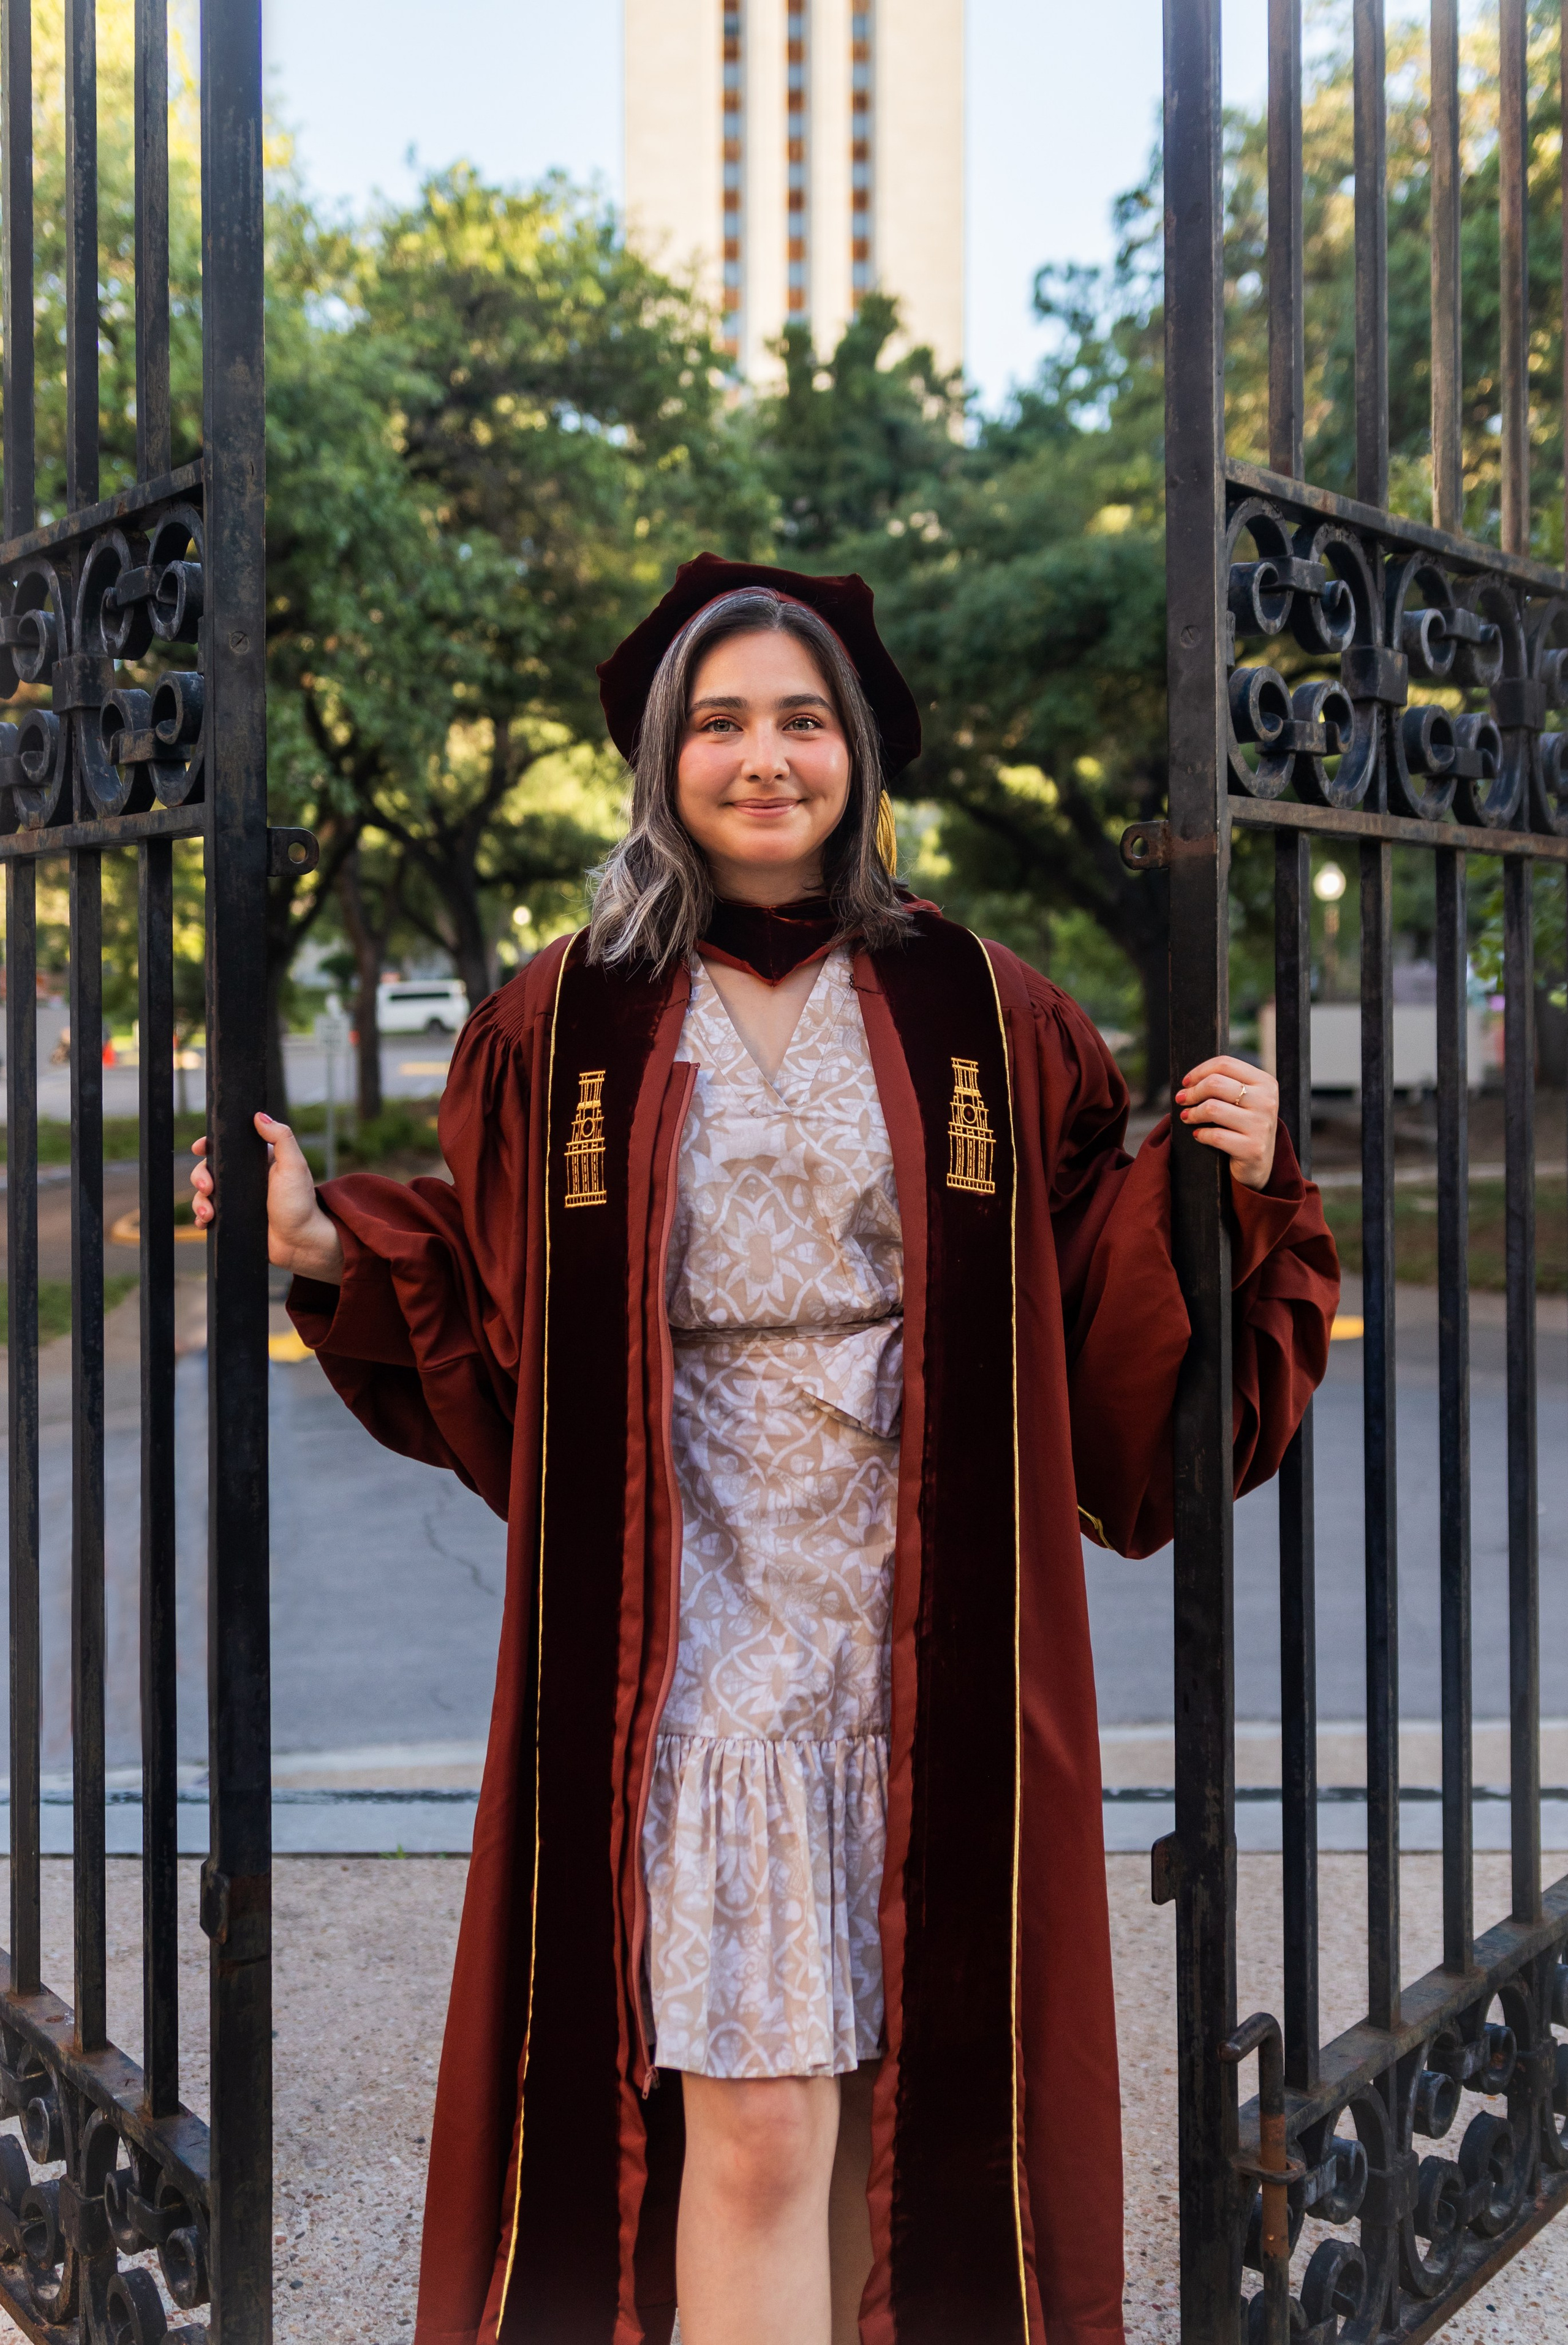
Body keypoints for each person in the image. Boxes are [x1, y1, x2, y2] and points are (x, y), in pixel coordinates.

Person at [191, 556, 1338, 2345]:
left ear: (860, 755)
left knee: (898, 2099)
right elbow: (505, 1320)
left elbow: (1098, 1276)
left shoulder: (989, 1008)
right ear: (664, 760)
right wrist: (334, 1250)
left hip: (925, 1612)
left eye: (804, 720)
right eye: (719, 723)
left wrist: (1240, 1176)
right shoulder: (562, 1019)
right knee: (752, 2121)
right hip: (690, 1624)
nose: (764, 756)